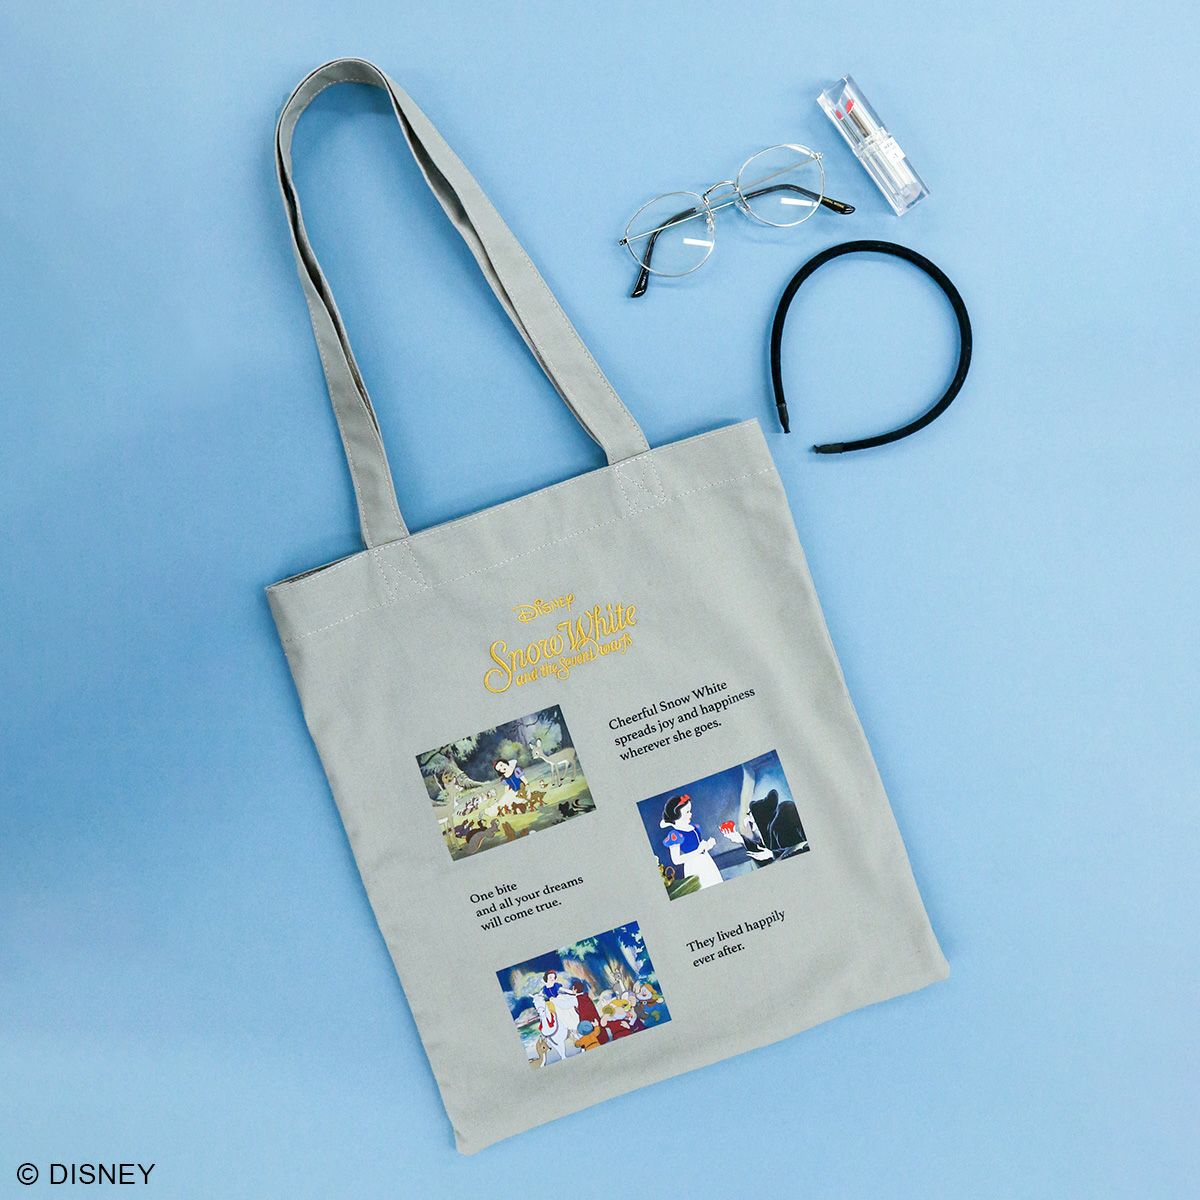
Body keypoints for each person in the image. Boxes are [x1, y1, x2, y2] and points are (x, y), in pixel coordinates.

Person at [660, 793, 722, 888]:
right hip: (693, 866)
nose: (691, 814)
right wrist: (698, 851)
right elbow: (676, 860)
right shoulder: (675, 835)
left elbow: (701, 848)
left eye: (690, 811)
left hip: (706, 862)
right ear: (676, 815)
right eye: (687, 812)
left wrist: (708, 846)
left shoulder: (694, 827)